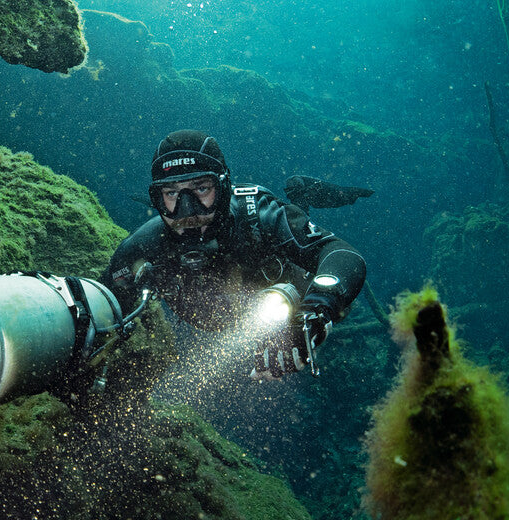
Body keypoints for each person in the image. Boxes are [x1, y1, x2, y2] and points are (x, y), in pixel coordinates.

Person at [103, 129, 367, 380]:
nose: (187, 210)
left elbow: (342, 253)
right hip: (222, 319)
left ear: (224, 187)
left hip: (291, 302)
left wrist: (318, 308)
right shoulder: (148, 243)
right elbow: (107, 298)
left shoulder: (259, 216)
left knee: (345, 309)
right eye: (171, 193)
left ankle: (301, 195)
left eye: (201, 189)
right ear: (157, 197)